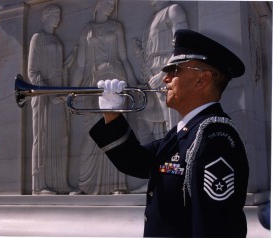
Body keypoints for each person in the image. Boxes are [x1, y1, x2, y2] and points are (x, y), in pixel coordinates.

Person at [89, 29, 249, 237]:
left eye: (174, 70)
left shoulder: (214, 138)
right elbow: (136, 162)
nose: (165, 79)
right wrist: (112, 115)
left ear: (202, 80)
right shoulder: (186, 131)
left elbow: (214, 228)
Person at [70, 0, 137, 195]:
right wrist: (72, 90)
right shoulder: (87, 29)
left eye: (113, 5)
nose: (111, 7)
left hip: (115, 79)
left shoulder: (117, 27)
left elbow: (123, 58)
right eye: (107, 3)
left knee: (116, 129)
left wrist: (133, 84)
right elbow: (81, 65)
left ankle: (117, 185)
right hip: (93, 83)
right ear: (98, 4)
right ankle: (84, 186)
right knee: (91, 134)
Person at [28, 4, 74, 194]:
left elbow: (57, 71)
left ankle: (60, 183)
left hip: (58, 96)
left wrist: (67, 65)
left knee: (61, 138)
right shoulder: (37, 38)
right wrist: (49, 94)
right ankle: (39, 185)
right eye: (55, 14)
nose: (58, 18)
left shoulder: (57, 41)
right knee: (43, 139)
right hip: (44, 98)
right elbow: (33, 72)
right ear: (45, 16)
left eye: (60, 14)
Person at [133, 1, 188, 144]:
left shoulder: (173, 10)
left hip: (167, 73)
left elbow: (184, 45)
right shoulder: (151, 19)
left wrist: (164, 73)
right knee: (146, 121)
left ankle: (174, 158)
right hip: (151, 76)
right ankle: (156, 159)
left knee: (172, 122)